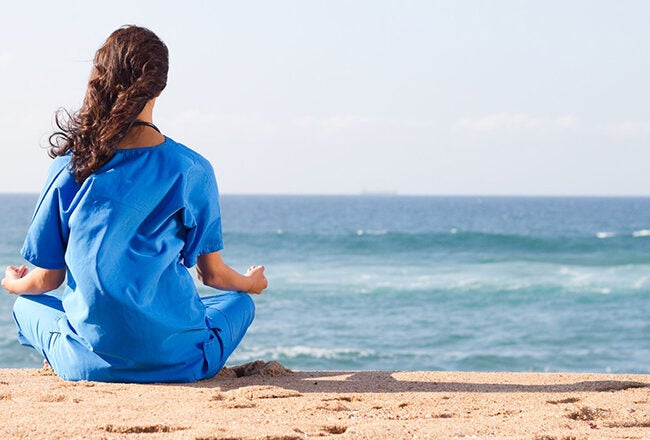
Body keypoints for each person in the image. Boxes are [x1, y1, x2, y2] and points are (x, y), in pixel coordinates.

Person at [0, 25, 267, 382]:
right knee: (239, 303)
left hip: (88, 366)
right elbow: (212, 275)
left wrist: (14, 283)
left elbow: (47, 279)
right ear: (160, 85)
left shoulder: (70, 168)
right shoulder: (192, 169)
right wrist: (251, 283)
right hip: (181, 363)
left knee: (26, 306)